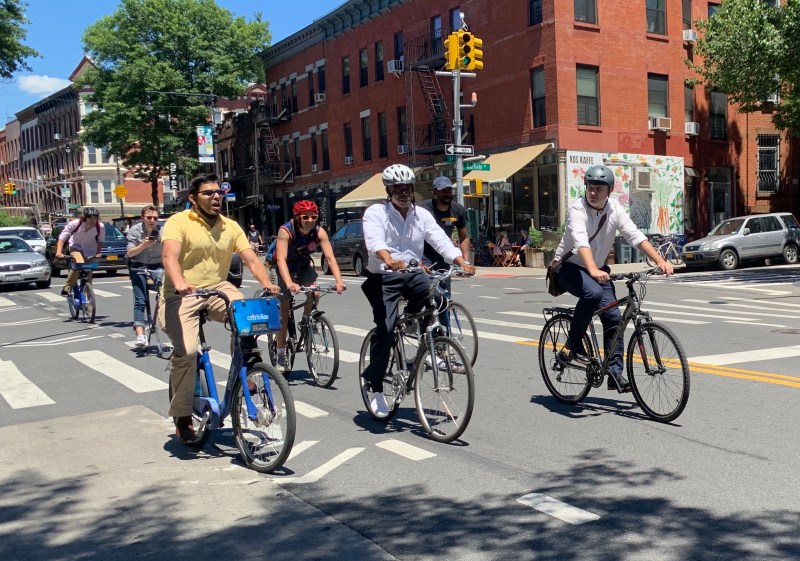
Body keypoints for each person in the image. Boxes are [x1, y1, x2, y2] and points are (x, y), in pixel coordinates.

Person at [159, 173, 280, 442]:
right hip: (181, 294)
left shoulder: (230, 226)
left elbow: (251, 258)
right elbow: (169, 256)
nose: (216, 197)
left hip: (215, 287)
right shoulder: (178, 222)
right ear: (193, 198)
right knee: (187, 352)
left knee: (247, 315)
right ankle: (182, 415)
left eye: (218, 192)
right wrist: (179, 282)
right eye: (208, 193)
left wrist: (267, 283)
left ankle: (245, 368)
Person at [361, 164, 475, 416]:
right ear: (388, 190)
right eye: (398, 189)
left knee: (438, 298)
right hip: (383, 277)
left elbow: (440, 239)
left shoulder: (421, 215)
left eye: (407, 188)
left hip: (412, 273)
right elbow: (374, 241)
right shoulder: (376, 212)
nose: (404, 193)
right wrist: (388, 259)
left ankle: (426, 338)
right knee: (387, 329)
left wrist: (461, 261)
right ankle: (376, 385)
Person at [552, 164, 674, 392]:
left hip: (596, 269)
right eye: (590, 187)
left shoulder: (615, 209)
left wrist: (660, 261)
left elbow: (635, 236)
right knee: (593, 292)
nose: (593, 192)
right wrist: (594, 269)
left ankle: (615, 373)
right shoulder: (577, 210)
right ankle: (573, 344)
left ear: (609, 190)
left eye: (599, 188)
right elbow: (581, 242)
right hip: (567, 266)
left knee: (614, 318)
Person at [272, 199, 347, 373]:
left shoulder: (319, 232)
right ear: (297, 217)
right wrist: (289, 283)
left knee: (315, 292)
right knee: (283, 310)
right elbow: (280, 259)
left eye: (313, 216)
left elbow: (330, 258)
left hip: (303, 265)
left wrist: (339, 281)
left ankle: (306, 320)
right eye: (305, 217)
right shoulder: (286, 231)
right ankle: (281, 354)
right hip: (284, 267)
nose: (310, 220)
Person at [418, 175, 470, 328]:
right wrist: (419, 261)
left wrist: (465, 262)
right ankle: (425, 329)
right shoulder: (424, 209)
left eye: (449, 190)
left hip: (445, 257)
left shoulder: (458, 210)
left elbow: (464, 236)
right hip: (425, 256)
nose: (447, 193)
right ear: (435, 192)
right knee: (430, 296)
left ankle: (443, 336)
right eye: (443, 191)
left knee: (444, 298)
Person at [126, 205, 162, 349]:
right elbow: (130, 253)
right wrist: (144, 244)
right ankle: (140, 334)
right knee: (140, 300)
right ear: (142, 218)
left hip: (157, 265)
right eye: (149, 217)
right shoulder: (134, 231)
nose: (152, 220)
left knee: (167, 296)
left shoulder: (162, 231)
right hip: (138, 264)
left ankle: (164, 324)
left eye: (155, 218)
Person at [55, 207, 104, 296]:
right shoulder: (75, 224)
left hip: (90, 250)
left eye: (95, 218)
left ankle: (88, 300)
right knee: (79, 264)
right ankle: (67, 286)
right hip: (75, 247)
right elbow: (62, 237)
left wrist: (98, 252)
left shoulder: (100, 226)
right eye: (90, 218)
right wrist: (59, 252)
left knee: (88, 274)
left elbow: (100, 241)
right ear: (84, 217)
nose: (93, 220)